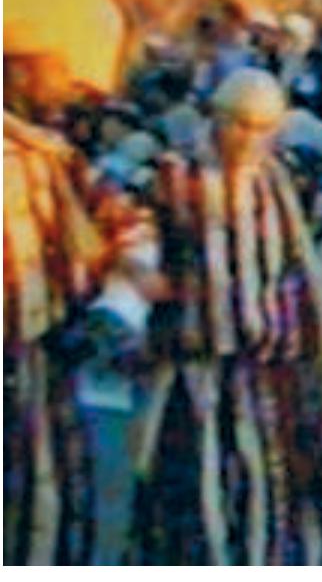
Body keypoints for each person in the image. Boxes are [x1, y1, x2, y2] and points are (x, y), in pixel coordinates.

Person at [129, 68, 322, 565]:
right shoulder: (171, 174)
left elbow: (314, 258)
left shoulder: (287, 177)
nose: (249, 139)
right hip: (194, 367)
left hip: (269, 370)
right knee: (195, 497)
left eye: (261, 127)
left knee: (271, 495)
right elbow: (130, 231)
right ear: (217, 119)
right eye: (239, 125)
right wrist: (142, 272)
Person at [4, 29, 153, 565]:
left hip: (46, 347)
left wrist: (124, 281)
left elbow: (123, 218)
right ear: (18, 77)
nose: (65, 87)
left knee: (46, 488)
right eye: (54, 73)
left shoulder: (54, 154)